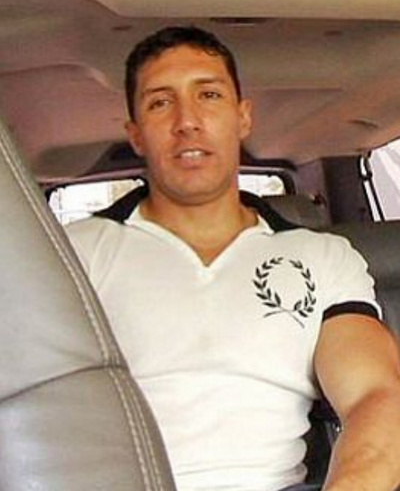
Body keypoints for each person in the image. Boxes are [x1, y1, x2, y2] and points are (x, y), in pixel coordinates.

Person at [66, 26, 400, 491]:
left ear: (243, 118)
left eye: (209, 95)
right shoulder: (72, 253)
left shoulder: (322, 257)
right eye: (160, 102)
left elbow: (376, 397)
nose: (187, 120)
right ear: (136, 134)